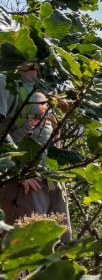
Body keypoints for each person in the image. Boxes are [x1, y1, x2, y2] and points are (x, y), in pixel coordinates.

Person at [0, 62, 72, 242]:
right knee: (26, 255)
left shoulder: (46, 87)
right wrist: (15, 171)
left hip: (51, 182)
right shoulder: (5, 82)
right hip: (23, 186)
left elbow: (52, 129)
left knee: (61, 253)